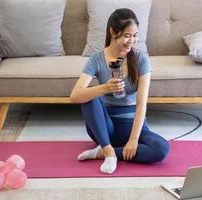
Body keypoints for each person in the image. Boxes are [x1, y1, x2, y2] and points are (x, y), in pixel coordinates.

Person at [70, 8, 170, 174]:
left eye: (135, 35)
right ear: (112, 32)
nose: (132, 40)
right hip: (105, 128)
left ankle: (103, 153)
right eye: (127, 35)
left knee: (161, 149)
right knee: (90, 96)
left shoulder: (141, 60)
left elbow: (141, 105)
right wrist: (105, 88)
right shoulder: (96, 59)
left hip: (134, 126)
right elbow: (74, 96)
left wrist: (133, 140)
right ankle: (108, 150)